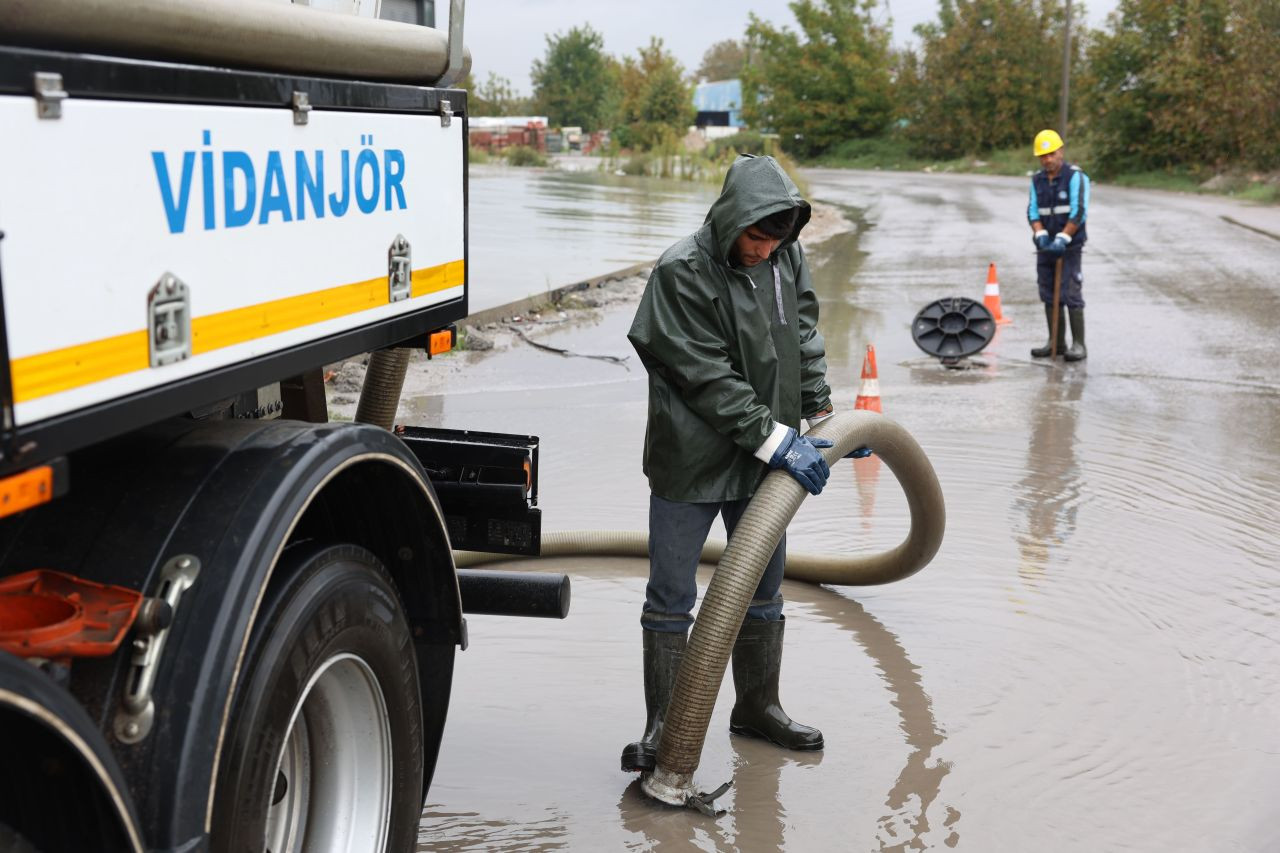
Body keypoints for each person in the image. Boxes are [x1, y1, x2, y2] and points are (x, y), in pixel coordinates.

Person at [622, 154, 856, 773]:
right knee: (671, 596)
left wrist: (819, 407)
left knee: (763, 588)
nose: (762, 250)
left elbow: (802, 331)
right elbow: (705, 377)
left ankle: (757, 707)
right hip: (691, 460)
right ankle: (663, 728)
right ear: (732, 219)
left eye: (774, 240)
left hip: (763, 458)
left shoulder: (784, 256)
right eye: (755, 236)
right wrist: (777, 441)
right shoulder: (681, 272)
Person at [1028, 129, 1091, 361]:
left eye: (1051, 154)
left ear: (1061, 152)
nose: (1047, 159)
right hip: (1046, 247)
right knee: (1048, 292)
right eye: (1042, 156)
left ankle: (1079, 345)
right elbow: (1033, 211)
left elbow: (1079, 211)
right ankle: (1056, 342)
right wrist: (1040, 234)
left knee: (1070, 291)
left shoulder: (1076, 177)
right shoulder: (1037, 180)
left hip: (1070, 246)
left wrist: (1063, 238)